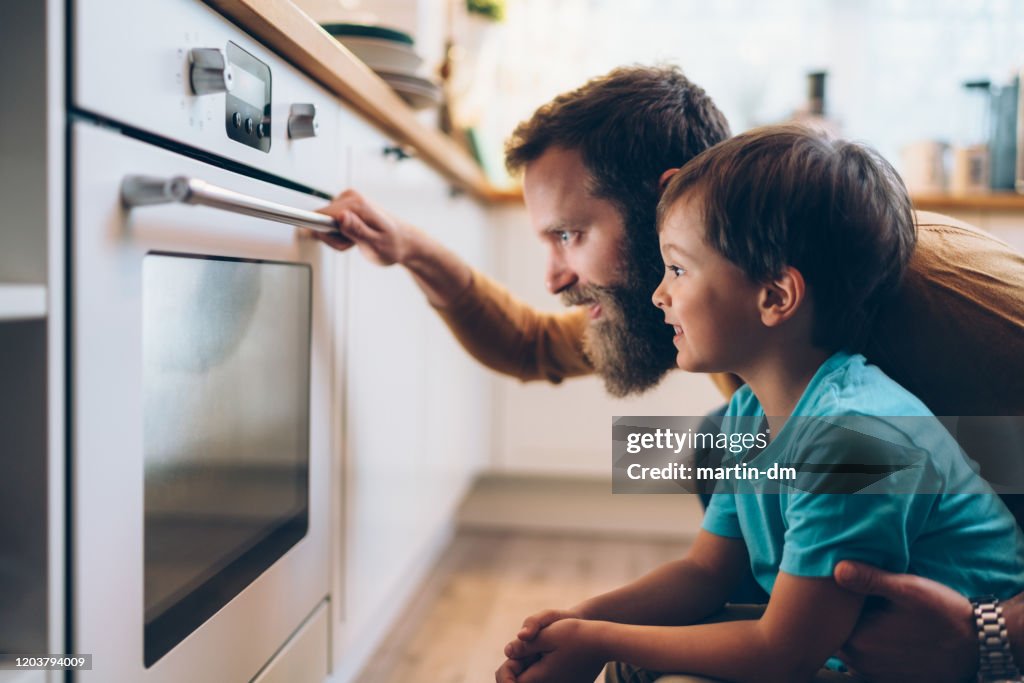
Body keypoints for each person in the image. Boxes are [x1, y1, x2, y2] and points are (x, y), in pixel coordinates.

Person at [310, 66, 1024, 681]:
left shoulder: (946, 307)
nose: (556, 276)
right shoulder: (736, 324)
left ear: (666, 197)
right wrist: (409, 248)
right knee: (714, 444)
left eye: (571, 234)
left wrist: (990, 635)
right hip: (877, 545)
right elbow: (530, 345)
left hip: (982, 601)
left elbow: (786, 644)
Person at [497, 125, 1024, 683]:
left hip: (957, 665)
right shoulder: (752, 410)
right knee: (630, 661)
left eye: (677, 269)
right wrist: (580, 621)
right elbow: (706, 572)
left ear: (775, 297)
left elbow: (781, 653)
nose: (659, 294)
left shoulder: (855, 443)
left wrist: (596, 638)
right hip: (838, 645)